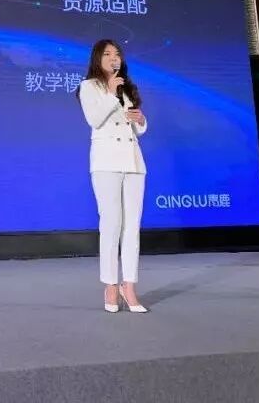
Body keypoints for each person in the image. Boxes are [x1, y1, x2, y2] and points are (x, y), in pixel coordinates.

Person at [77, 39, 148, 313]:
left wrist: (140, 120)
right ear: (97, 58)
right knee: (111, 224)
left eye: (117, 54)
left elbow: (137, 127)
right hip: (106, 161)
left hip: (133, 162)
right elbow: (94, 119)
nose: (113, 58)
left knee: (132, 226)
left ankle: (128, 286)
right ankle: (110, 284)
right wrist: (109, 91)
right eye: (107, 54)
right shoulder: (89, 87)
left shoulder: (126, 87)